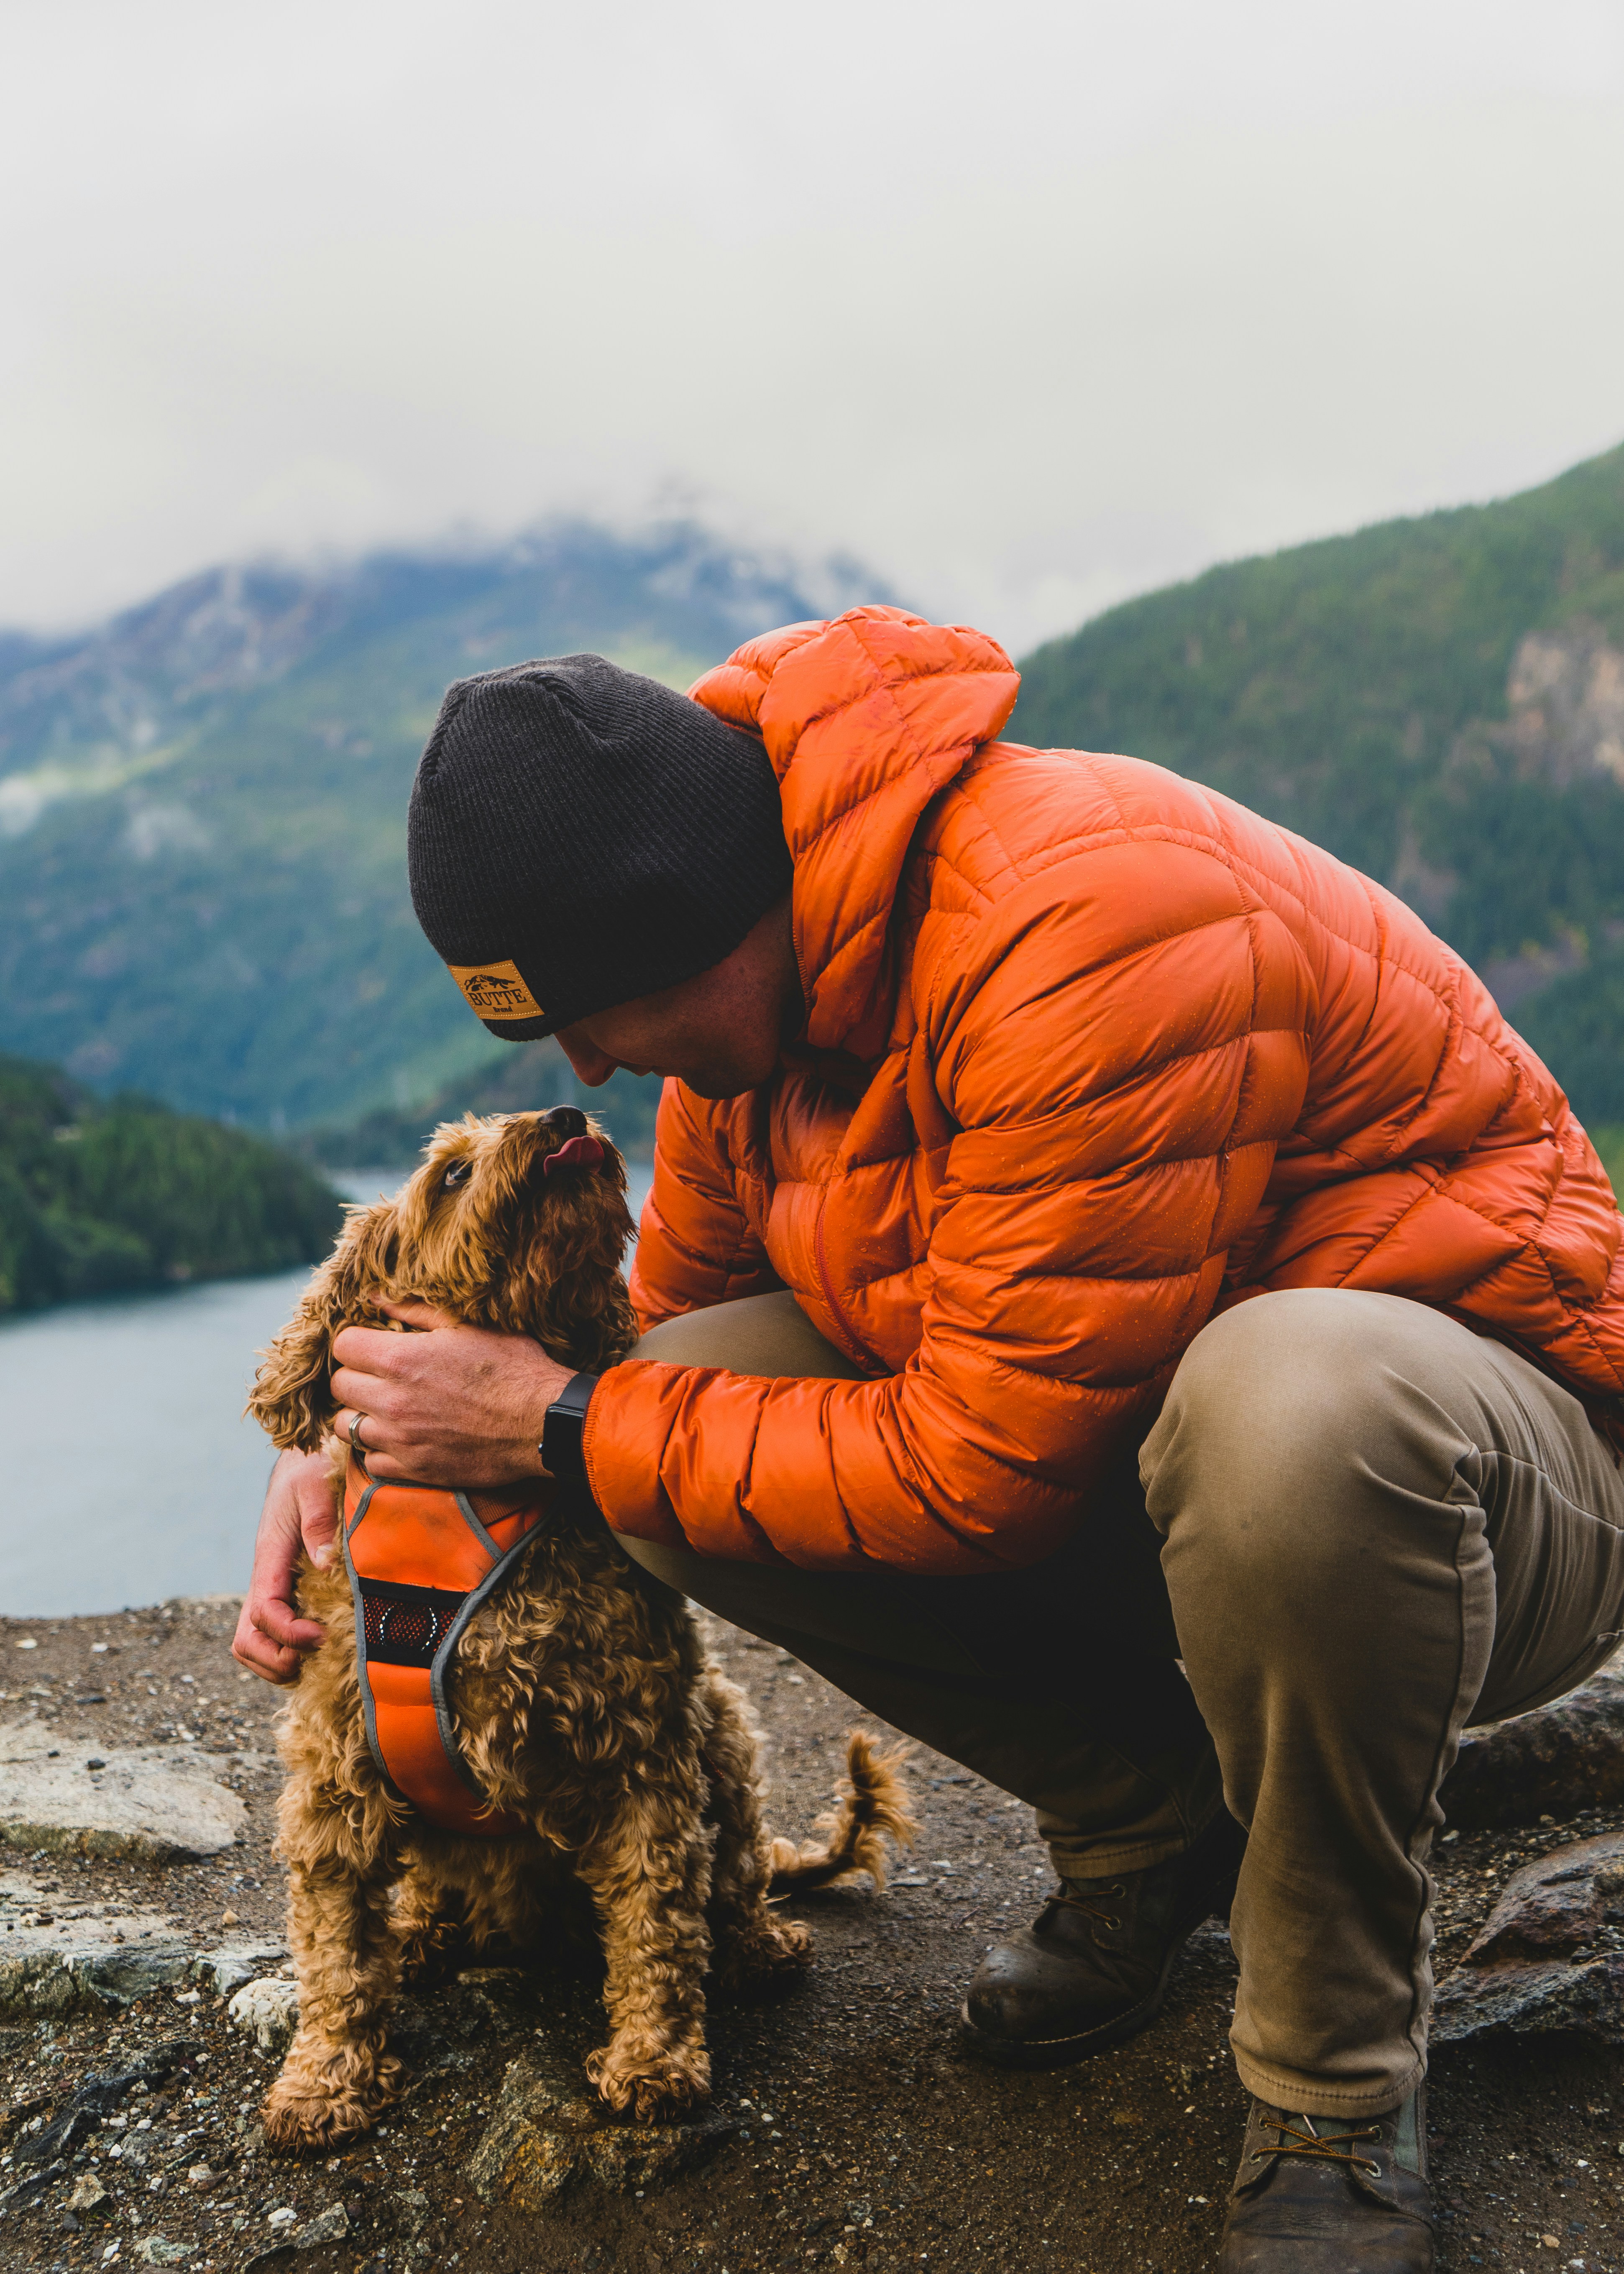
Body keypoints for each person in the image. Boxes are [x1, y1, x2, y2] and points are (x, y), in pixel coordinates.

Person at [235, 607, 1624, 2272]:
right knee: (667, 1415)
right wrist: (355, 1444)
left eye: (594, 1012)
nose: (588, 1068)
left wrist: (551, 1420)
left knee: (1289, 1404)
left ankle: (1329, 2072)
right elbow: (639, 1353)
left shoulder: (1075, 921)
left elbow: (978, 1472)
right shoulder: (753, 1027)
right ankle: (1148, 1821)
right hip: (1160, 1468)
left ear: (700, 926)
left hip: (1489, 1484)